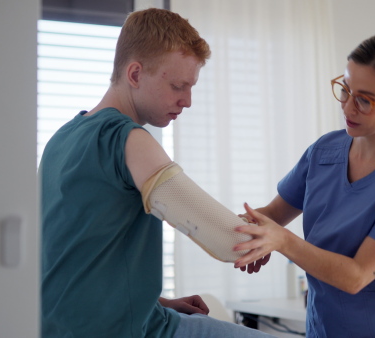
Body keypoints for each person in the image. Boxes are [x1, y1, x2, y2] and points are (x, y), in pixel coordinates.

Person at [39, 8, 274, 338]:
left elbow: (72, 263)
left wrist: (157, 301)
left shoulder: (60, 140)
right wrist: (271, 237)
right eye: (179, 85)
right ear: (135, 74)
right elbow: (227, 240)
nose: (187, 101)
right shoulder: (128, 139)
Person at [233, 31, 375, 337]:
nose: (348, 108)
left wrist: (279, 240)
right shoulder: (324, 152)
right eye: (346, 90)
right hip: (326, 327)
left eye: (365, 100)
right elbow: (271, 215)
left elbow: (356, 276)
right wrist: (234, 231)